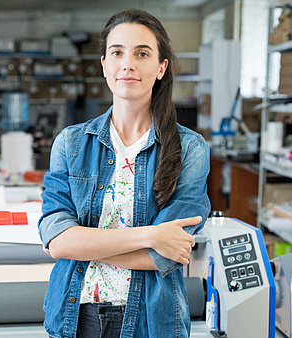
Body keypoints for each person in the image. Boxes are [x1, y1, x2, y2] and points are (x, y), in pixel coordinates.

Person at [38, 9, 211, 338]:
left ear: (161, 68)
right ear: (104, 64)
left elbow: (168, 255)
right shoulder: (71, 144)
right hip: (75, 316)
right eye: (117, 52)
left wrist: (85, 243)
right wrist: (151, 235)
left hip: (150, 320)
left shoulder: (190, 150)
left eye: (142, 53)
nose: (128, 64)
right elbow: (58, 241)